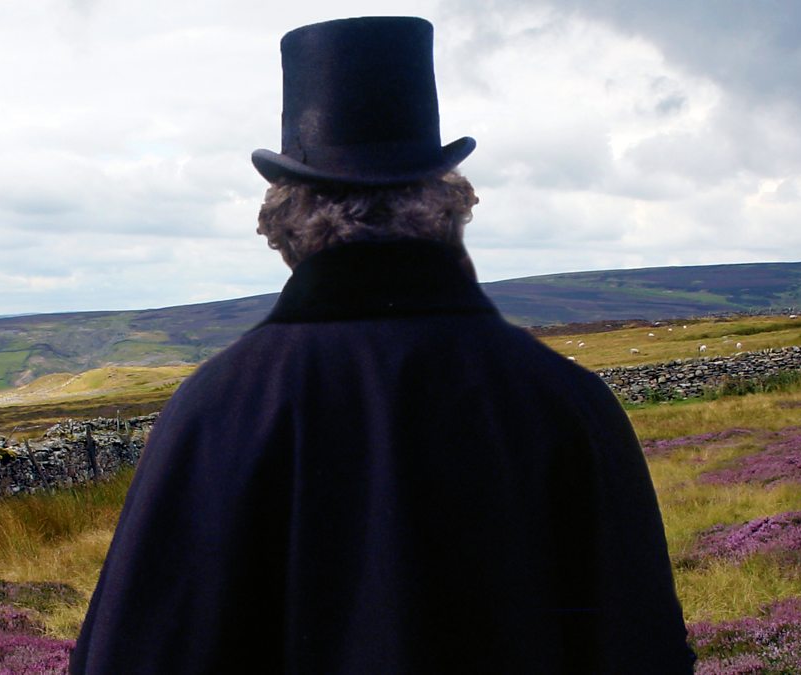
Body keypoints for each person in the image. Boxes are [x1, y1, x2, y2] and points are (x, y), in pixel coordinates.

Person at [70, 16, 694, 673]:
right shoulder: (568, 402)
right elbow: (641, 648)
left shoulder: (215, 410)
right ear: (448, 206)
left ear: (285, 223)